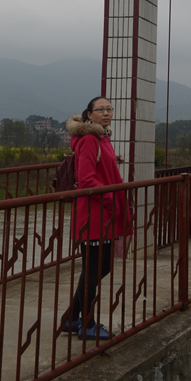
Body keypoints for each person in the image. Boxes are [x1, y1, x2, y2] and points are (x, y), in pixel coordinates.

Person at [65, 96, 130, 341]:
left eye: (109, 109)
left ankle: (72, 318)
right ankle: (88, 324)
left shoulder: (103, 137)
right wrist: (111, 201)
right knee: (94, 268)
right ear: (89, 115)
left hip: (103, 211)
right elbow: (86, 178)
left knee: (100, 266)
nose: (106, 113)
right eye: (100, 110)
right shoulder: (91, 139)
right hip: (92, 212)